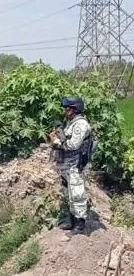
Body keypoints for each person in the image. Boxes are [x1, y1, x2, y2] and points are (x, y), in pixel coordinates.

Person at [48, 96, 94, 234]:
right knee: (69, 193)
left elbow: (73, 145)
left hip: (76, 166)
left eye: (67, 109)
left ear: (74, 110)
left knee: (77, 193)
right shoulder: (71, 123)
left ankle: (80, 223)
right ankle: (72, 220)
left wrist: (56, 141)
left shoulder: (80, 125)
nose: (65, 111)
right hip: (67, 166)